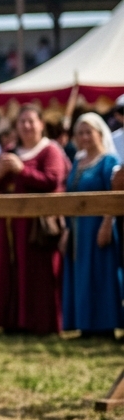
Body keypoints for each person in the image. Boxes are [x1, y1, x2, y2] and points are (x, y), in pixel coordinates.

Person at [0, 107, 68, 335]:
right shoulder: (9, 150)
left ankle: (39, 323)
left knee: (36, 274)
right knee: (8, 272)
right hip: (9, 226)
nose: (27, 126)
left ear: (41, 124)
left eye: (31, 121)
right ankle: (10, 321)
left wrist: (22, 170)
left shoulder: (50, 151)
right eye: (22, 122)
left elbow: (52, 180)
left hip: (36, 227)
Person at [61, 112, 122, 336]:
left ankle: (104, 325)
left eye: (89, 132)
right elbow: (70, 197)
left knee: (101, 274)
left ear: (99, 133)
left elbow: (114, 194)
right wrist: (67, 228)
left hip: (99, 225)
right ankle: (84, 324)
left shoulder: (109, 161)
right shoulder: (78, 162)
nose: (85, 137)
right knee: (81, 274)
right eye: (80, 133)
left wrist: (107, 223)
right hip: (78, 229)